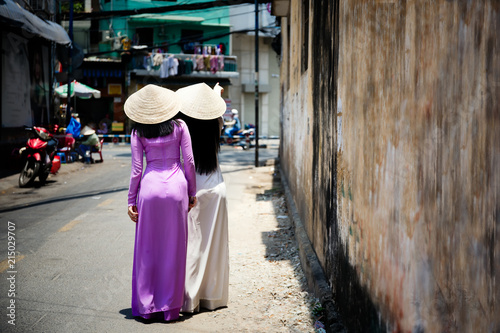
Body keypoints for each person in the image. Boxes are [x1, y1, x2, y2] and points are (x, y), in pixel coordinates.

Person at [125, 84, 197, 322]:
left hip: (149, 189)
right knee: (174, 249)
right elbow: (189, 162)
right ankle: (170, 309)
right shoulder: (180, 126)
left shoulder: (138, 133)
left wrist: (130, 200)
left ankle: (147, 308)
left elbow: (137, 170)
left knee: (147, 249)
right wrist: (192, 192)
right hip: (177, 189)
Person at [175, 82, 229, 313]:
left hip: (191, 190)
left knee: (191, 245)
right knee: (213, 245)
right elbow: (219, 112)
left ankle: (189, 298)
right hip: (215, 188)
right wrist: (216, 94)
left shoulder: (180, 127)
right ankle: (211, 297)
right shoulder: (215, 125)